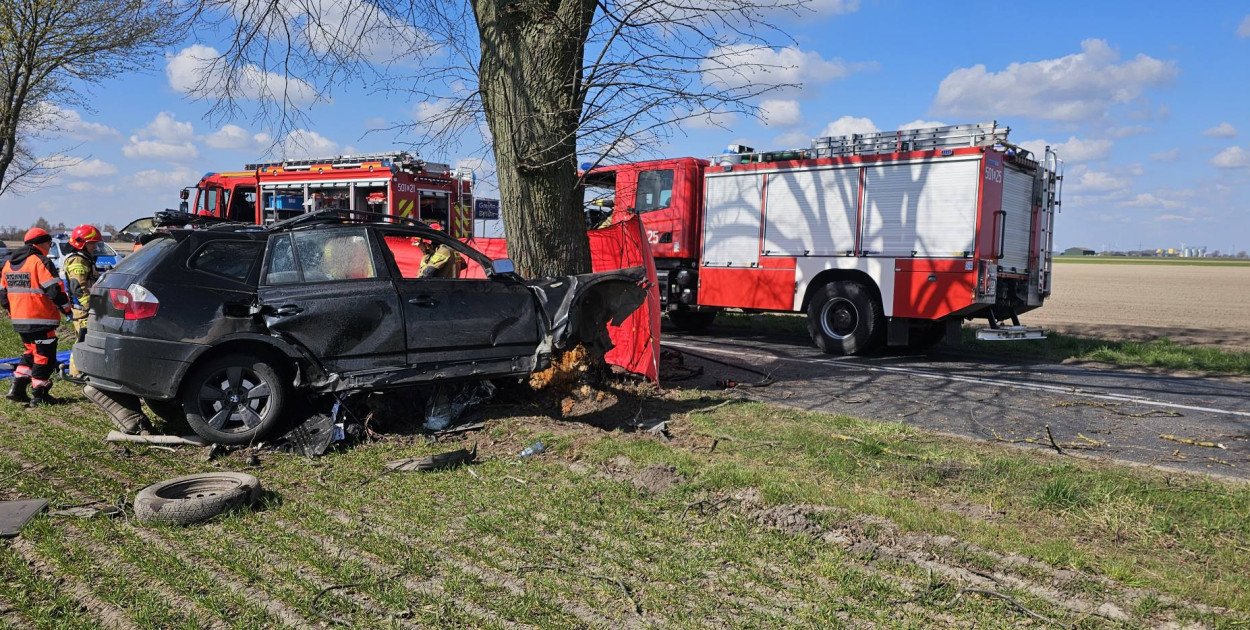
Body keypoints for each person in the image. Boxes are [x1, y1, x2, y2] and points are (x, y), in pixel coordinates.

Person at [1, 228, 71, 407]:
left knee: (30, 352)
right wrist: (68, 310)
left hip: (19, 319)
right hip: (41, 318)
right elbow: (54, 289)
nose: (49, 247)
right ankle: (39, 395)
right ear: (42, 243)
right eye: (48, 243)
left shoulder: (9, 263)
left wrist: (13, 310)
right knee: (44, 357)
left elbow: (2, 294)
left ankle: (17, 389)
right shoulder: (40, 261)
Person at [63, 224, 103, 381]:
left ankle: (79, 371)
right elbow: (78, 287)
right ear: (82, 242)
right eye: (92, 243)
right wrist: (91, 306)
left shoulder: (85, 259)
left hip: (86, 308)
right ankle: (77, 373)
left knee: (83, 340)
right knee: (82, 341)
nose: (95, 246)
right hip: (83, 310)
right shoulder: (78, 260)